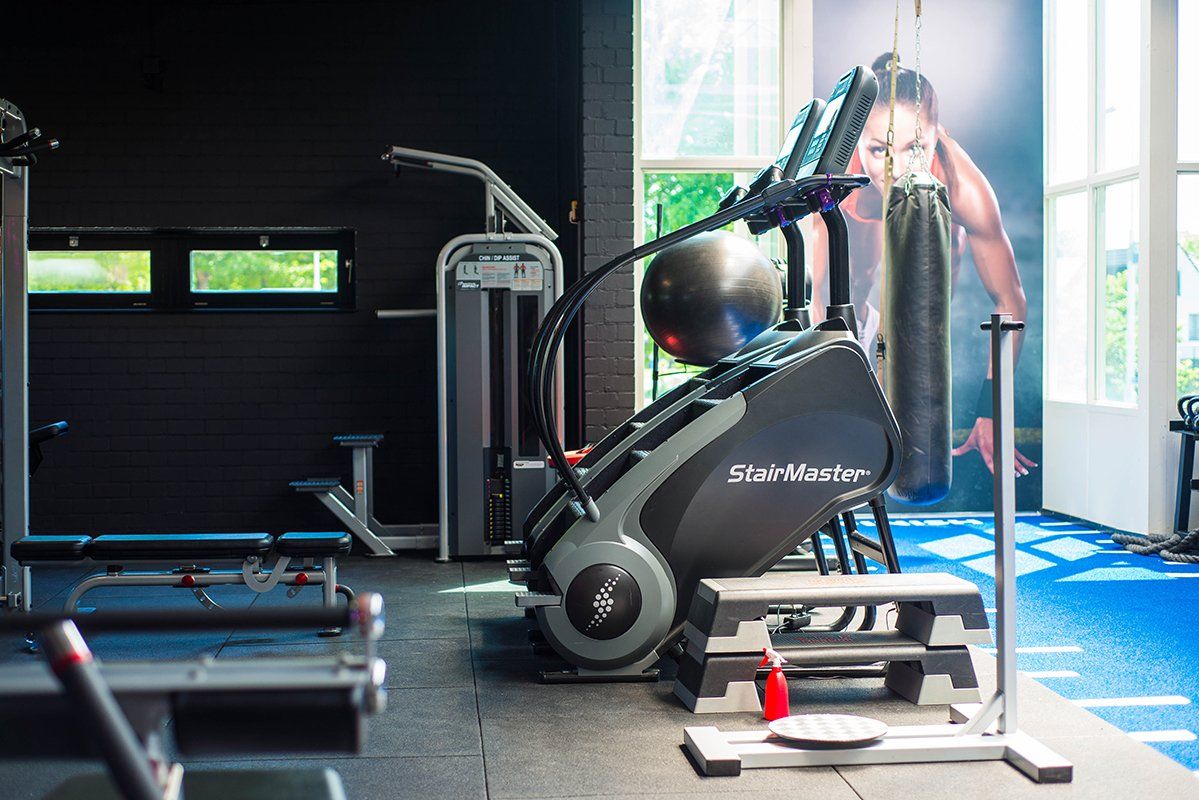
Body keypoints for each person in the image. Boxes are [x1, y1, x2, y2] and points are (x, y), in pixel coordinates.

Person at [809, 53, 1034, 478]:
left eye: (915, 148)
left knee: (944, 252)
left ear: (937, 136)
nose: (895, 169)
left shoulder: (961, 184)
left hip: (930, 255)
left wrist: (991, 410)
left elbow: (1010, 300)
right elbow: (817, 295)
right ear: (859, 141)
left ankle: (923, 289)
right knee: (851, 292)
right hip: (860, 238)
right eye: (878, 150)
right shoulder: (839, 175)